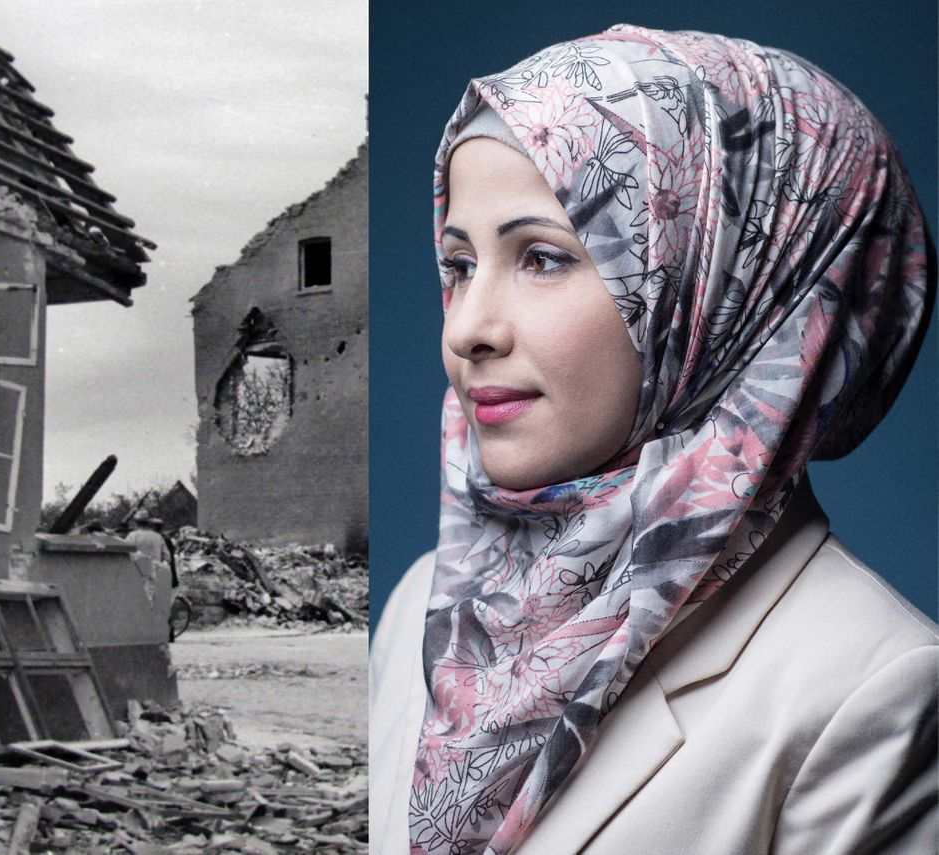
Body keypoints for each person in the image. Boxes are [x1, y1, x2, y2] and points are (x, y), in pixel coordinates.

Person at [369, 25, 937, 855]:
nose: (469, 331)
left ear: (728, 292)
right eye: (459, 266)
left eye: (542, 258)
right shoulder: (425, 607)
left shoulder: (873, 691)